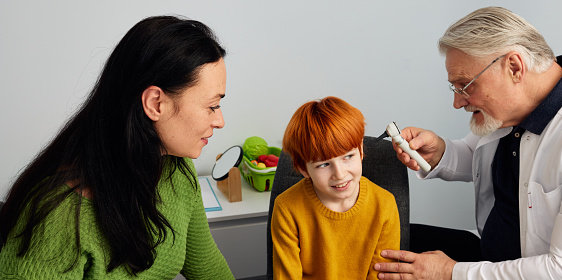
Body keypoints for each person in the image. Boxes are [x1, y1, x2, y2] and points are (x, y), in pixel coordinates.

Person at [374, 6, 562, 280]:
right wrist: (441, 152)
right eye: (455, 88)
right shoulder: (512, 108)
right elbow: (479, 155)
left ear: (514, 66)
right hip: (489, 256)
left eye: (465, 86)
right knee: (385, 241)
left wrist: (450, 273)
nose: (457, 102)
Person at [0, 15, 235, 279]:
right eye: (212, 106)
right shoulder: (58, 218)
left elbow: (209, 268)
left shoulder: (178, 169)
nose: (220, 121)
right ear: (156, 103)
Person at [271, 96, 401, 279]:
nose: (339, 174)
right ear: (303, 169)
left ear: (361, 151)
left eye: (348, 157)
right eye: (323, 165)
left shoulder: (385, 204)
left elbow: (382, 275)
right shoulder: (287, 208)